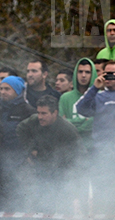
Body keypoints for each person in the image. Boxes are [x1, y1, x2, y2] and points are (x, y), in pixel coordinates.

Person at [75, 60, 115, 214]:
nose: (108, 77)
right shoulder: (99, 96)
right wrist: (94, 88)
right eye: (105, 73)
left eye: (112, 73)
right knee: (101, 189)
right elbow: (81, 109)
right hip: (102, 149)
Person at [16, 95, 83, 213]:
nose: (40, 117)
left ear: (55, 113)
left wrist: (73, 178)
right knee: (39, 204)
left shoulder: (67, 129)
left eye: (44, 113)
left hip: (61, 172)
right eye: (39, 113)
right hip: (40, 169)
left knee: (61, 207)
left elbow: (79, 154)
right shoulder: (33, 120)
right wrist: (31, 149)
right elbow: (20, 129)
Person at [0, 76, 36, 204]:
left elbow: (35, 136)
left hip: (19, 162)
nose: (3, 92)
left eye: (7, 89)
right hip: (2, 161)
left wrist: (29, 155)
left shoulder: (28, 111)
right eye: (1, 88)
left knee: (17, 199)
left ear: (17, 91)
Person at [59, 58, 98, 153]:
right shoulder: (65, 97)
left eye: (87, 72)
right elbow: (61, 123)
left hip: (94, 148)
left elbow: (96, 123)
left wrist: (72, 123)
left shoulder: (100, 95)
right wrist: (84, 121)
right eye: (80, 72)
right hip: (71, 149)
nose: (83, 75)